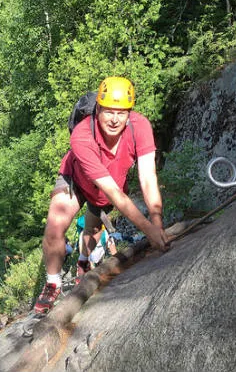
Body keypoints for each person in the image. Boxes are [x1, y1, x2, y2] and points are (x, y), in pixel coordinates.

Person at [34, 76, 169, 314]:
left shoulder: (140, 128)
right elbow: (113, 192)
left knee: (94, 230)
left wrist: (157, 222)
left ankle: (83, 262)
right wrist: (149, 230)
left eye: (122, 113)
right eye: (108, 112)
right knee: (54, 228)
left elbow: (148, 178)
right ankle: (52, 283)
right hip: (76, 179)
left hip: (109, 185)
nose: (115, 119)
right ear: (98, 108)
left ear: (130, 113)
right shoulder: (82, 136)